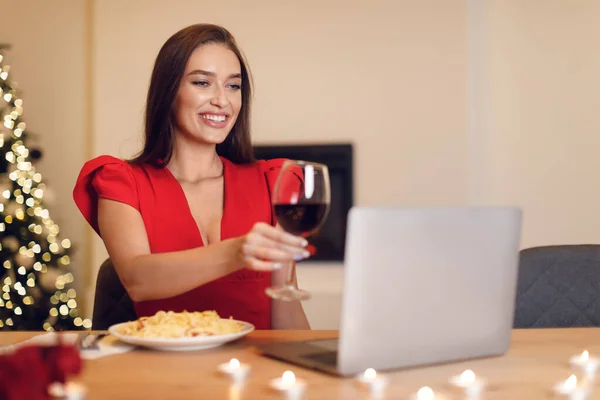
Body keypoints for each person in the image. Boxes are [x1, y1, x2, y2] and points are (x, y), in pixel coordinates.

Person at [73, 23, 311, 330]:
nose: (222, 101)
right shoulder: (121, 181)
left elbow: (286, 313)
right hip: (163, 372)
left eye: (233, 86)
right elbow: (137, 280)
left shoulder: (274, 182)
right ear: (169, 91)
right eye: (202, 83)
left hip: (253, 371)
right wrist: (237, 252)